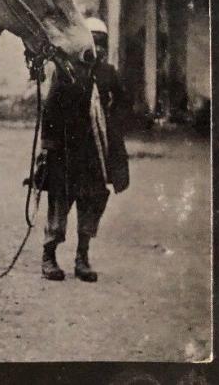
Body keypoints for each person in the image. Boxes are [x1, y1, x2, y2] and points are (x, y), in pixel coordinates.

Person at [38, 17, 130, 282]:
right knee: (60, 203)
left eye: (102, 43)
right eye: (93, 42)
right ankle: (49, 256)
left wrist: (110, 122)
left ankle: (82, 258)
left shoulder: (108, 73)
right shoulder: (66, 71)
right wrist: (48, 145)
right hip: (67, 150)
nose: (97, 48)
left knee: (91, 201)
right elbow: (50, 109)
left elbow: (125, 104)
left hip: (95, 154)